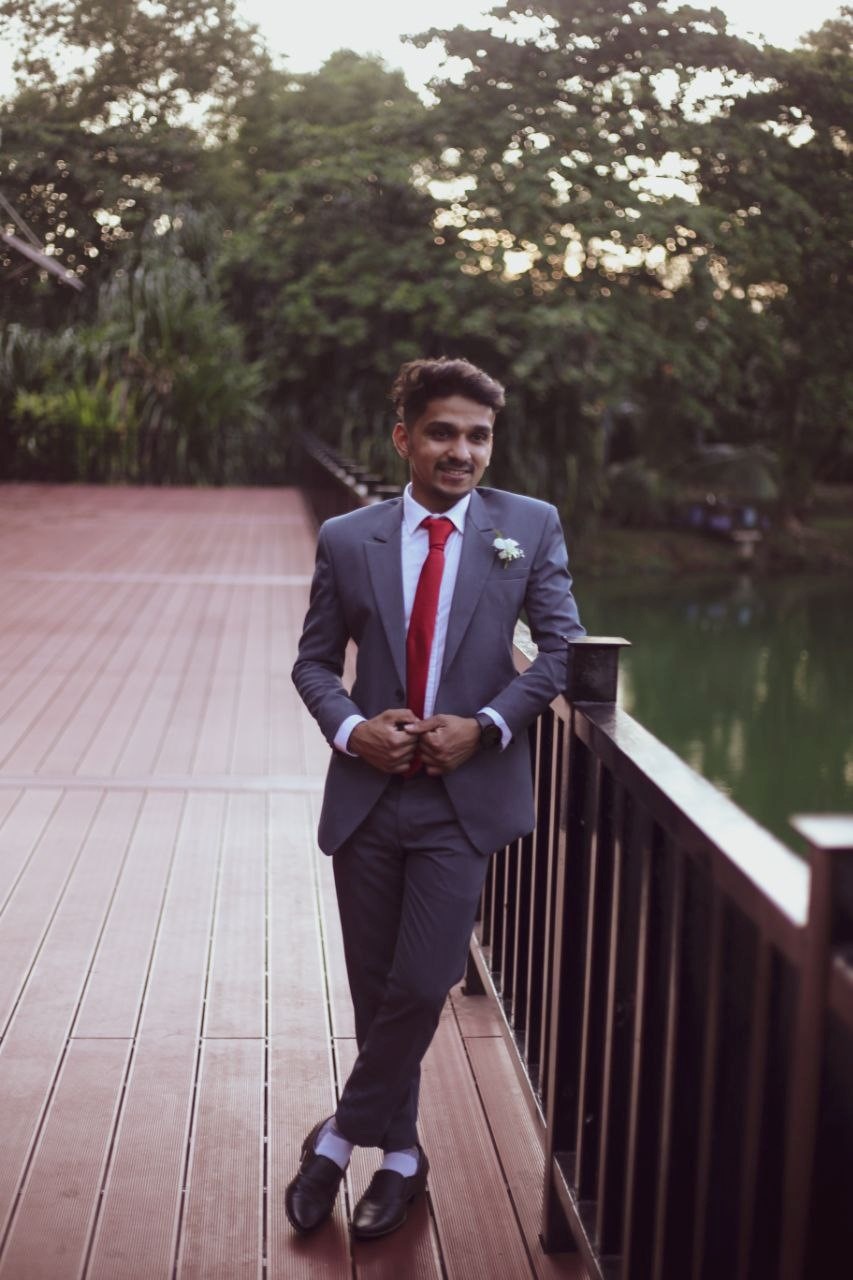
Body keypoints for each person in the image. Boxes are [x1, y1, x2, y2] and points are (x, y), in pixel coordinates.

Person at [287, 356, 584, 1241]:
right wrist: (350, 729)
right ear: (404, 438)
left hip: (462, 799)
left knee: (424, 981)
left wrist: (486, 723)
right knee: (376, 990)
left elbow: (564, 651)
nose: (461, 451)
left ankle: (338, 1141)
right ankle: (403, 1160)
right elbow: (312, 661)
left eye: (478, 436)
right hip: (369, 797)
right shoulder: (349, 536)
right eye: (444, 432)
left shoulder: (527, 527)